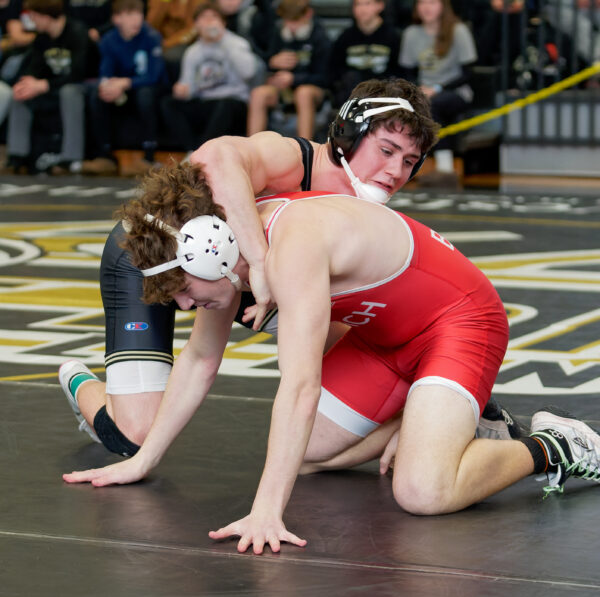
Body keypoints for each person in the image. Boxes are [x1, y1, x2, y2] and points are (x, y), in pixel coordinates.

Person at [64, 162, 600, 556]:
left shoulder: (291, 248)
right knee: (307, 453)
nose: (184, 305)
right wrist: (142, 459)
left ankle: (555, 444)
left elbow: (300, 387)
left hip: (459, 323)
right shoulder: (235, 254)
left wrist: (267, 510)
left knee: (423, 491)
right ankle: (433, 421)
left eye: (183, 291)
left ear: (213, 250)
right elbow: (200, 359)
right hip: (385, 343)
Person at [58, 78, 516, 464]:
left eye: (409, 161)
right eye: (386, 150)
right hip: (154, 259)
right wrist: (259, 260)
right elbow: (214, 157)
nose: (395, 171)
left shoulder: (355, 207)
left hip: (225, 276)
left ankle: (437, 410)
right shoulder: (295, 160)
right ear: (349, 134)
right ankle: (80, 382)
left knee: (353, 334)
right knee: (131, 437)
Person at [81, 0, 168, 177]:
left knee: (145, 95)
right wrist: (109, 86)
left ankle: (149, 157)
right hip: (124, 89)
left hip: (151, 88)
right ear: (116, 19)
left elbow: (154, 76)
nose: (136, 20)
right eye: (129, 15)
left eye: (139, 14)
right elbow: (106, 71)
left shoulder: (151, 36)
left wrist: (124, 83)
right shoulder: (109, 40)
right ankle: (105, 156)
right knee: (99, 93)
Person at [160, 1, 257, 154]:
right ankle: (193, 150)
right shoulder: (193, 52)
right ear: (197, 25)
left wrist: (222, 41)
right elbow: (188, 86)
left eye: (214, 17)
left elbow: (249, 72)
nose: (209, 22)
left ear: (223, 22)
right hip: (206, 101)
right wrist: (182, 90)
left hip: (233, 102)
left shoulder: (237, 43)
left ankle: (203, 153)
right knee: (169, 104)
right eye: (204, 18)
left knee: (225, 105)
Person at [399, 0, 477, 188]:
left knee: (434, 105)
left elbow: (468, 73)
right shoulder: (411, 33)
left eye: (432, 2)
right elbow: (407, 71)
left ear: (443, 6)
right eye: (422, 3)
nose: (427, 7)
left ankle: (445, 168)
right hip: (423, 91)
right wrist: (417, 88)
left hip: (456, 91)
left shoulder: (458, 30)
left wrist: (438, 88)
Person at [5, 0, 89, 174]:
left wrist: (44, 84)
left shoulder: (78, 32)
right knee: (22, 92)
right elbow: (33, 68)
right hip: (51, 88)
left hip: (81, 87)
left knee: (69, 91)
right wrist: (28, 82)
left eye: (34, 17)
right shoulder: (42, 38)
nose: (32, 22)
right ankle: (16, 156)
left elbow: (79, 73)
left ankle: (70, 158)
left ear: (45, 17)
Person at [246, 0, 331, 140]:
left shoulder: (320, 38)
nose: (290, 26)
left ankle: (305, 149)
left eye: (295, 20)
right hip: (283, 90)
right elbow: (266, 63)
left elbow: (326, 78)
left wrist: (294, 79)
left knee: (303, 93)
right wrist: (272, 63)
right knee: (258, 94)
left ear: (308, 14)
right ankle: (252, 148)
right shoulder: (279, 33)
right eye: (287, 20)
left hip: (313, 91)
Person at [329, 0, 401, 108]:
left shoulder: (393, 37)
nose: (362, 9)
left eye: (367, 3)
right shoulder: (345, 37)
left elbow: (399, 71)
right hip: (351, 94)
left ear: (380, 6)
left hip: (382, 94)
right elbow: (334, 71)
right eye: (358, 4)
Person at [146, 0, 203, 83]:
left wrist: (167, 44)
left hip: (186, 43)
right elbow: (151, 25)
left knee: (172, 56)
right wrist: (164, 2)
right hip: (159, 40)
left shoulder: (197, 2)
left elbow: (193, 29)